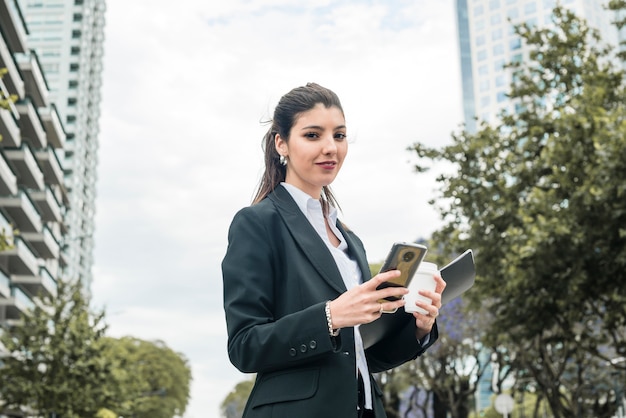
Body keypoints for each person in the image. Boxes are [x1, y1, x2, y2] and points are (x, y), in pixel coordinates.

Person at [222, 82, 446, 418]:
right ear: (281, 143)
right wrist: (329, 317)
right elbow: (244, 347)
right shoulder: (257, 223)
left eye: (339, 136)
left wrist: (418, 328)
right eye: (313, 135)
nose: (330, 148)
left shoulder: (349, 240)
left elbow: (359, 354)